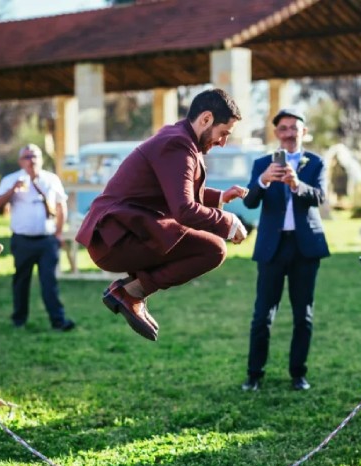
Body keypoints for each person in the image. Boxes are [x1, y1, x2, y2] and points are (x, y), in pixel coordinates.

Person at [76, 88, 249, 341]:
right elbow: (184, 209)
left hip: (117, 235)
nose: (223, 142)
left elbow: (174, 189)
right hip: (116, 240)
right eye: (224, 133)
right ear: (206, 119)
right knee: (213, 249)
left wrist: (219, 198)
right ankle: (130, 293)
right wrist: (230, 222)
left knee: (209, 246)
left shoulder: (177, 137)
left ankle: (131, 292)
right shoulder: (177, 144)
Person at [240, 108, 329, 392]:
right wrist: (264, 180)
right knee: (262, 315)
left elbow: (320, 197)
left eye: (294, 127)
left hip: (305, 248)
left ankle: (298, 374)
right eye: (284, 128)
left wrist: (297, 184)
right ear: (276, 133)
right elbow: (250, 202)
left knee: (303, 315)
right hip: (272, 248)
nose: (289, 133)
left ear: (304, 131)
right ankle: (254, 375)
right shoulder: (262, 163)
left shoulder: (315, 162)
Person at [0, 144, 75, 332]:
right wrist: (13, 189)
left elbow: (61, 207)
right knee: (21, 281)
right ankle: (19, 319)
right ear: (21, 161)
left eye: (35, 156)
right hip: (22, 240)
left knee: (49, 282)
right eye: (27, 156)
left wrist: (59, 234)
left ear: (41, 159)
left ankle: (58, 320)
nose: (32, 160)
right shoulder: (11, 179)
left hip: (47, 240)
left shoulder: (51, 179)